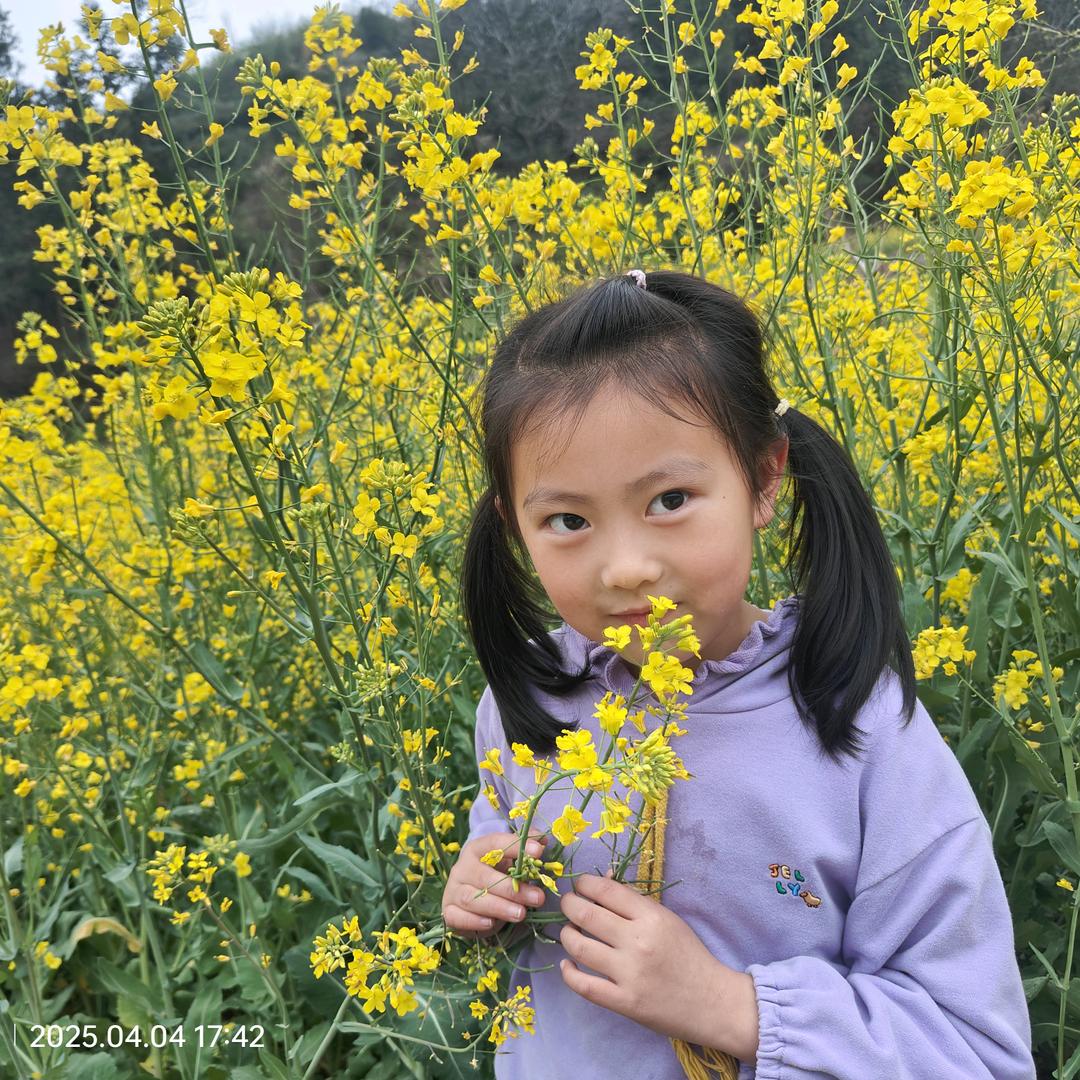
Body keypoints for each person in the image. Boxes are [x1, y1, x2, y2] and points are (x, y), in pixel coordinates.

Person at [441, 269, 1035, 1079]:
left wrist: (730, 1006)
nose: (626, 568)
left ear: (763, 480)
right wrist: (485, 890)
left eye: (672, 499)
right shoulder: (527, 699)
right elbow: (501, 828)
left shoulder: (858, 725)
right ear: (516, 527)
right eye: (568, 521)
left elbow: (976, 1050)